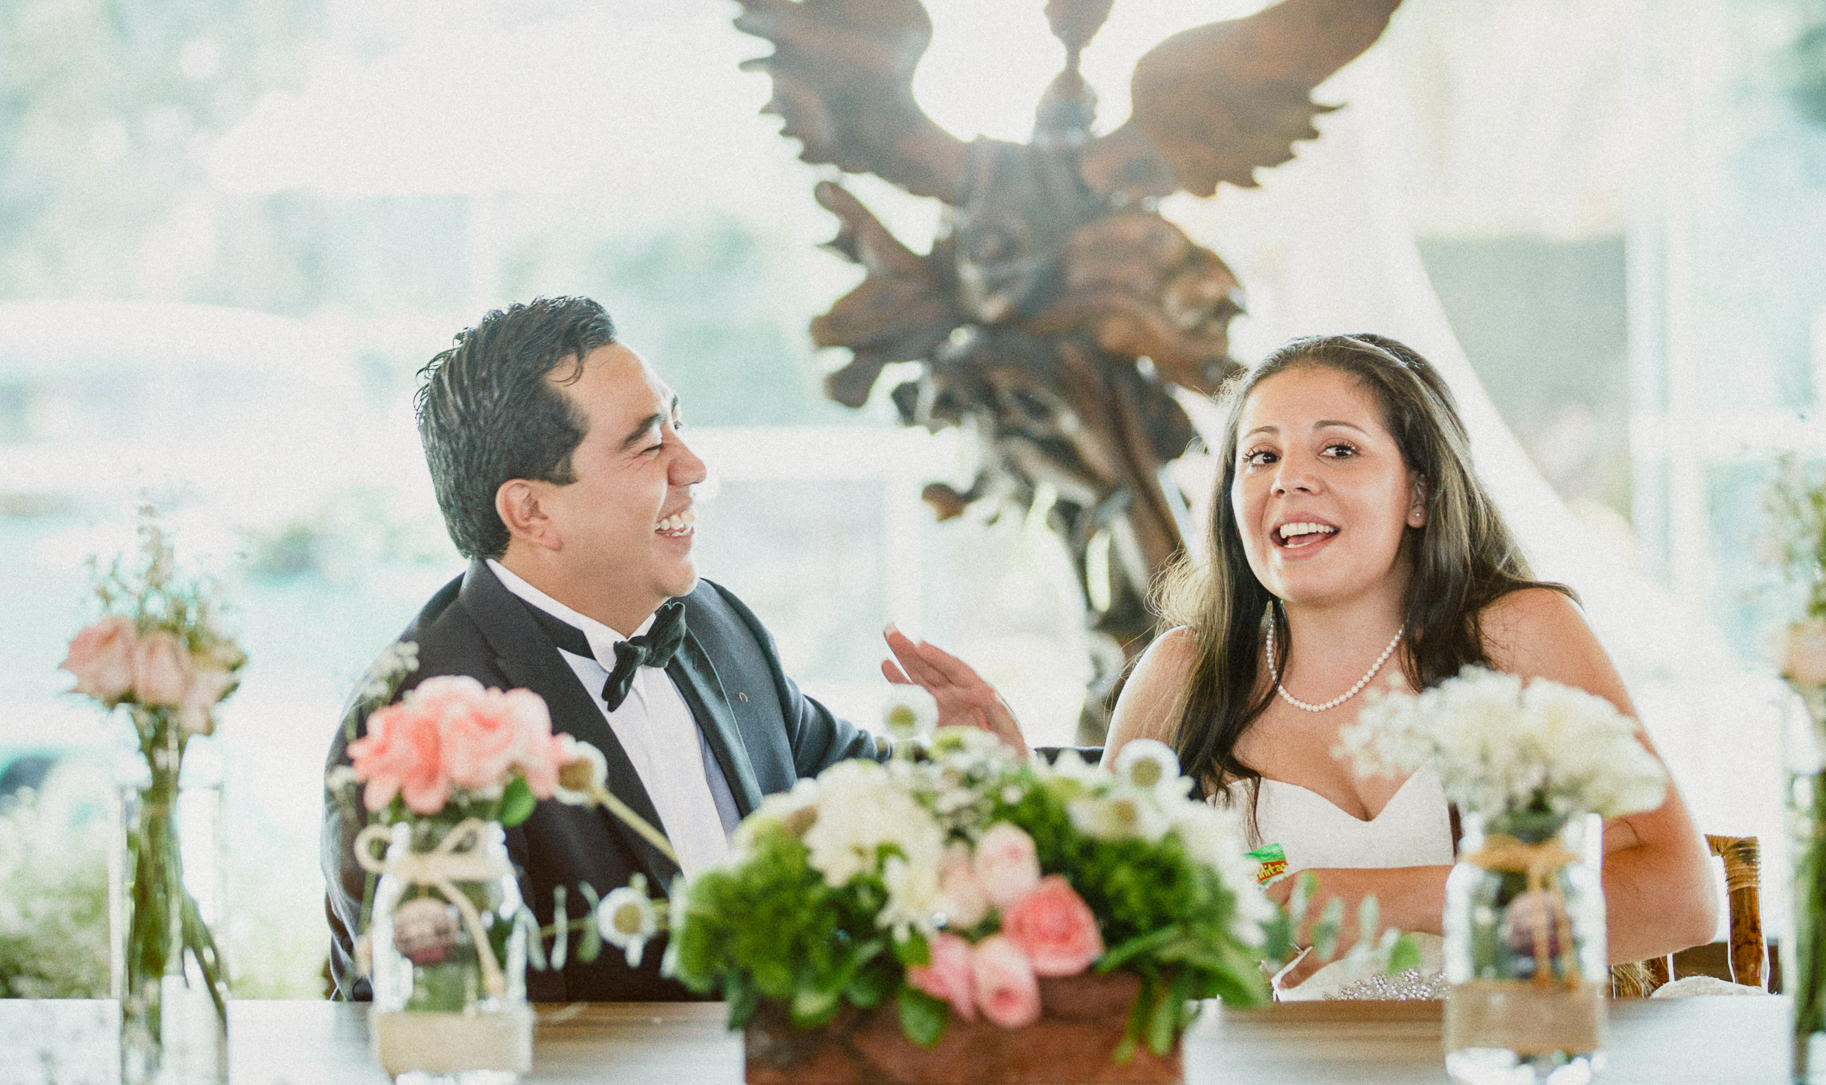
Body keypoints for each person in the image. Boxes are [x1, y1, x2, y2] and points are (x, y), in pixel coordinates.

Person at [321, 296, 1020, 1001]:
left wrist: (960, 769)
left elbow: (840, 783)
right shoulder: (417, 725)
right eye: (649, 444)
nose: (693, 466)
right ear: (532, 511)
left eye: (677, 425)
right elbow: (439, 1012)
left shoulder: (715, 622)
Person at [1103, 333, 1717, 998]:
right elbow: (1095, 940)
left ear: (1418, 494)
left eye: (1338, 449)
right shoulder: (1182, 674)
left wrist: (1402, 898)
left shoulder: (1520, 634)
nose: (1289, 479)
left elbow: (1683, 897)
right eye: (1261, 456)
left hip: (1514, 1071)